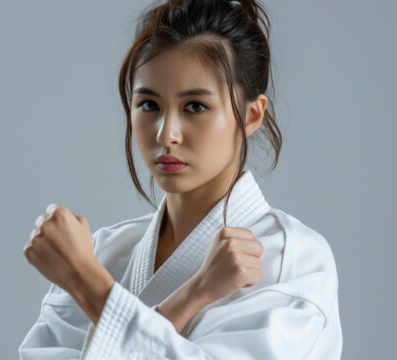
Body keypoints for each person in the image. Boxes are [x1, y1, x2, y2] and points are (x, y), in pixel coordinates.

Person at [18, 0, 342, 359]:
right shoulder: (103, 251)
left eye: (195, 107)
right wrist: (193, 294)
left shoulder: (292, 260)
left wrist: (88, 284)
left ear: (251, 116)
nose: (166, 134)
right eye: (149, 105)